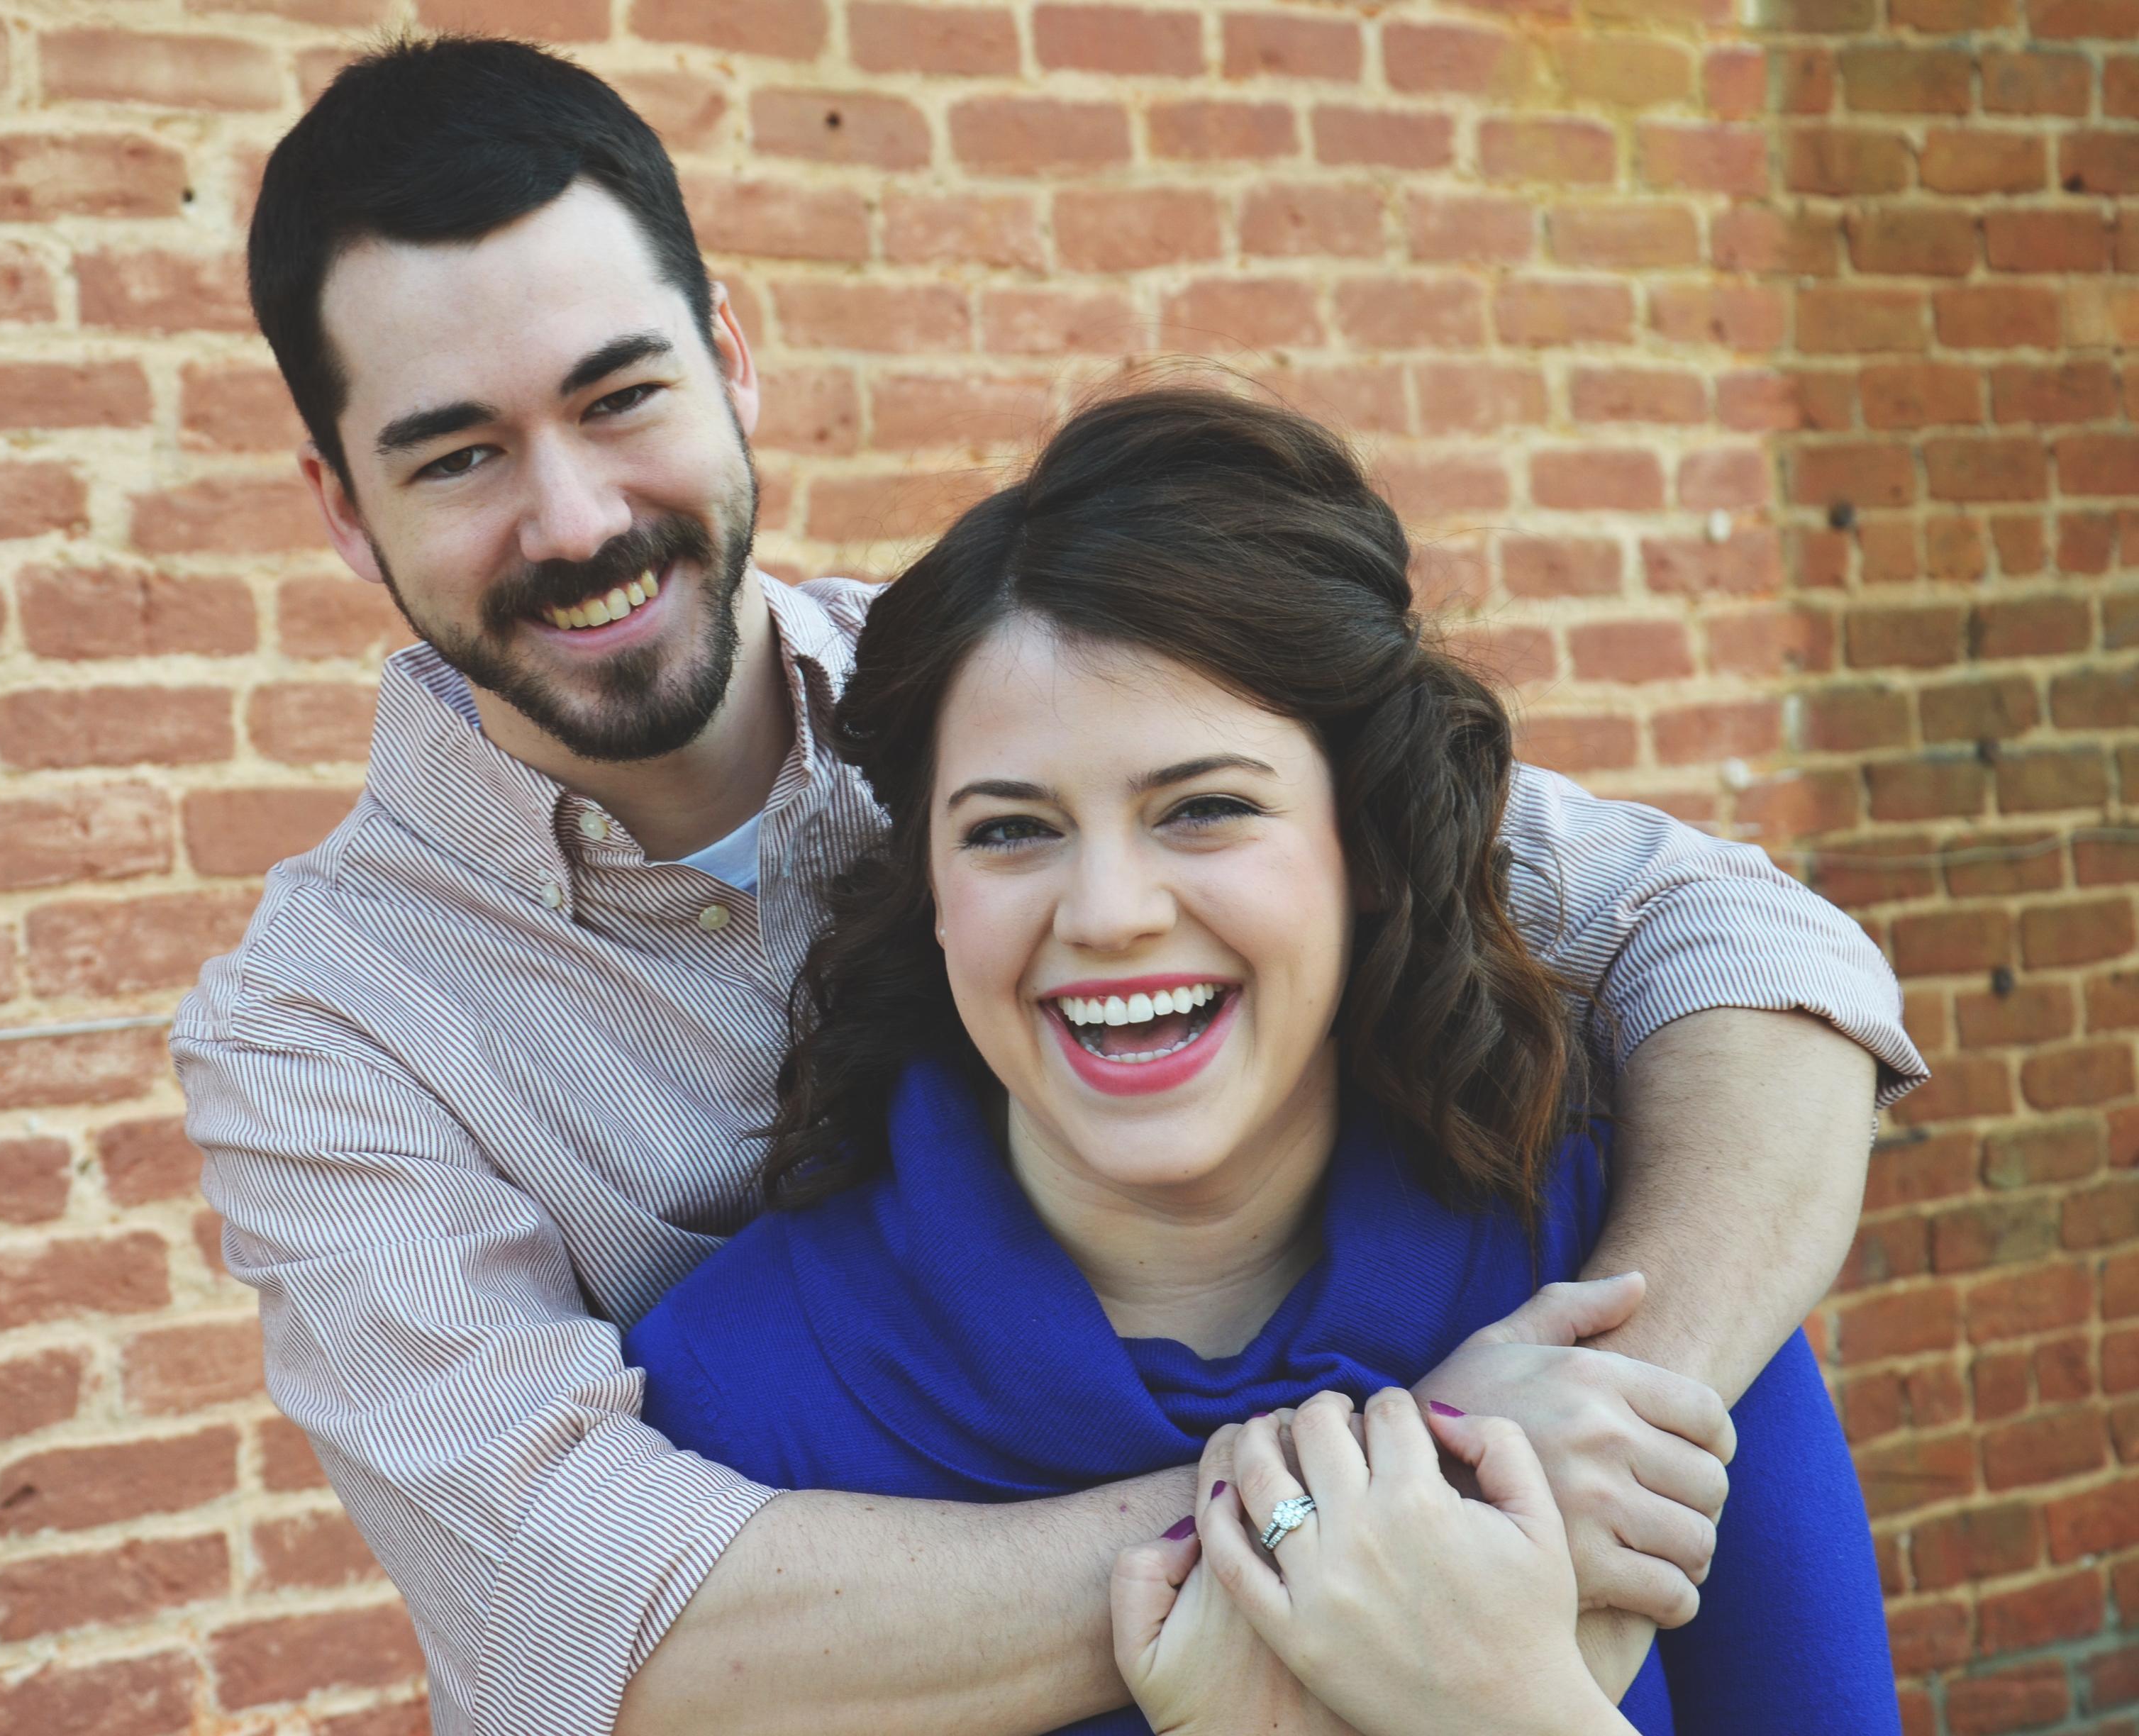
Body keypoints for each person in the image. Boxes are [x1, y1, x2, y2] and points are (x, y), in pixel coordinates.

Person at [173, 35, 1924, 1736]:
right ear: (342, 505)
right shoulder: (322, 1035)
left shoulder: (1026, 681)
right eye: (457, 455)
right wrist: (1382, 1500)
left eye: (621, 397)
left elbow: (1728, 941)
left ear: (730, 363)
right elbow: (583, 1612)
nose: (572, 520)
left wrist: (1611, 1421)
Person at [620, 387, 1899, 1735]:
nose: (1108, 912)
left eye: (1206, 809)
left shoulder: (1624, 1274)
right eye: (1010, 830)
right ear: (932, 892)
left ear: (1365, 850)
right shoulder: (737, 1397)